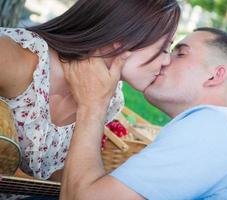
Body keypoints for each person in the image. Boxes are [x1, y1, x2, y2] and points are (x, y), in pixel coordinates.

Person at [60, 27, 227, 200]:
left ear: (214, 76)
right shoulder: (223, 129)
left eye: (180, 53)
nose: (164, 59)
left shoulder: (214, 128)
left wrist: (93, 104)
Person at [0, 0, 180, 182]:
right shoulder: (24, 59)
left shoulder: (111, 97)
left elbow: (52, 175)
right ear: (124, 37)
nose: (167, 61)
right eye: (164, 48)